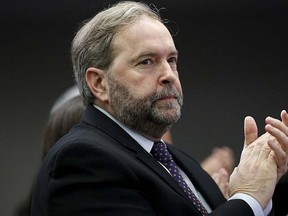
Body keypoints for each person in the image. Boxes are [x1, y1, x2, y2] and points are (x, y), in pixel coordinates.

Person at [31, 1, 288, 215]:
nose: (169, 74)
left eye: (172, 60)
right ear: (99, 83)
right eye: (146, 61)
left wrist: (262, 185)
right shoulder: (82, 160)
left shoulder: (174, 159)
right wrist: (247, 199)